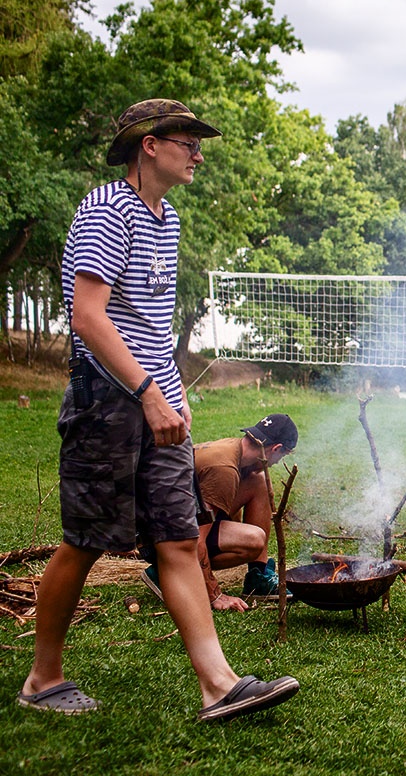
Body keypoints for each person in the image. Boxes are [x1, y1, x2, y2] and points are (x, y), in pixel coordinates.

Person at [18, 99, 299, 721]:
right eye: (188, 142)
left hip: (159, 405)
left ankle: (218, 686)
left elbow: (150, 323)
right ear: (149, 145)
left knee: (176, 539)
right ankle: (43, 678)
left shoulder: (165, 219)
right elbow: (89, 318)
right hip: (107, 406)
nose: (198, 154)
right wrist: (147, 392)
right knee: (85, 542)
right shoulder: (106, 210)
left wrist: (174, 392)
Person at [141, 414, 299, 611]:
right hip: (160, 539)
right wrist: (215, 594)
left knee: (258, 481)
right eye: (282, 456)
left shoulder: (235, 449)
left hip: (172, 520)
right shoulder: (225, 470)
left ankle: (258, 577)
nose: (276, 463)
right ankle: (170, 571)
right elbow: (197, 539)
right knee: (254, 541)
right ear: (276, 449)